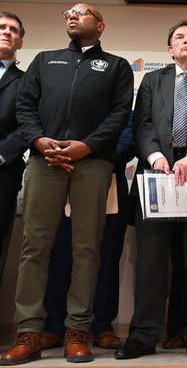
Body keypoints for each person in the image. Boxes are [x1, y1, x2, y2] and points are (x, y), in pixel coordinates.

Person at [0, 4, 133, 366]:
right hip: (44, 161)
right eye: (68, 13)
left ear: (100, 26)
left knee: (87, 248)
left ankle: (77, 331)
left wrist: (86, 146)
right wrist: (40, 142)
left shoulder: (118, 67)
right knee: (35, 247)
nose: (72, 16)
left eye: (82, 12)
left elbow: (120, 113)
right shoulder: (45, 60)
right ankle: (28, 332)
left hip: (92, 164)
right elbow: (25, 107)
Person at [114, 20, 187, 360]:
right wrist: (154, 157)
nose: (186, 41)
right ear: (169, 50)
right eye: (179, 37)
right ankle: (142, 336)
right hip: (157, 178)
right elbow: (143, 123)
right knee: (150, 262)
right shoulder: (153, 80)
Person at [38, 115, 134, 351]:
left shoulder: (120, 109)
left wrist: (88, 155)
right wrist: (67, 155)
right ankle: (55, 325)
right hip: (63, 179)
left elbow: (128, 141)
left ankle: (102, 326)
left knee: (106, 256)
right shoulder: (67, 104)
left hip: (107, 183)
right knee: (60, 255)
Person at [0, 10, 27, 294]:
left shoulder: (27, 81)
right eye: (2, 27)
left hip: (3, 174)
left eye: (13, 30)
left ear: (20, 42)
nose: (7, 32)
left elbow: (28, 125)